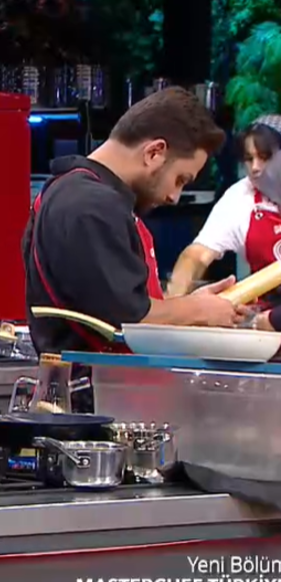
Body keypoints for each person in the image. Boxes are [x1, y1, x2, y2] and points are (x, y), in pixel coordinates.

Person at [23, 88, 247, 409]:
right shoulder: (90, 204)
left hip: (111, 402)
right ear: (154, 152)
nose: (174, 197)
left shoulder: (82, 194)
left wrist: (190, 307)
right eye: (180, 179)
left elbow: (114, 306)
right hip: (89, 412)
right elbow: (129, 320)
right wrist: (197, 310)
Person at [167, 115, 281, 329]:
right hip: (264, 326)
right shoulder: (241, 197)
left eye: (265, 157)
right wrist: (173, 308)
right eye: (249, 159)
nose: (255, 168)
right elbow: (197, 255)